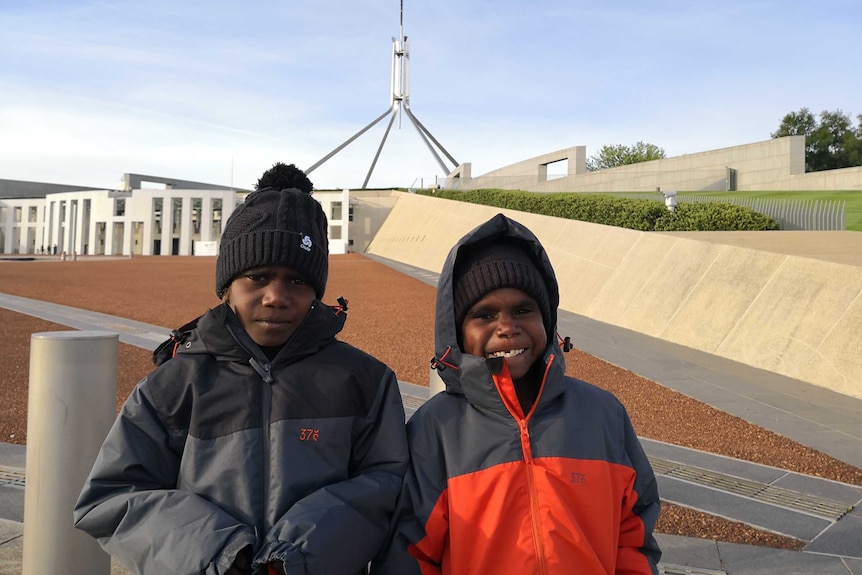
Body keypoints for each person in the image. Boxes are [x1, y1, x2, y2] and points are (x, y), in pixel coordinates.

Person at [74, 187, 409, 575]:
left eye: (297, 281)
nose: (276, 297)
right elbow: (112, 496)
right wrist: (215, 552)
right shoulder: (176, 383)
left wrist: (298, 553)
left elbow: (386, 482)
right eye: (258, 277)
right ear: (227, 286)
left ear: (317, 291)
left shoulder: (365, 380)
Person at [372, 213, 661, 574]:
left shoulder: (603, 414)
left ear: (547, 319)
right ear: (458, 333)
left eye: (524, 310)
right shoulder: (435, 429)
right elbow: (409, 553)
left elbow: (633, 533)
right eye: (484, 315)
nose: (507, 328)